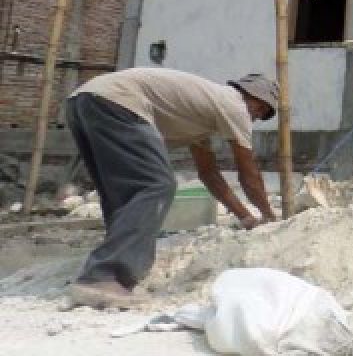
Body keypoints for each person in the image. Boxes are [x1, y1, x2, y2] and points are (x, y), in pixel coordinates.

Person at [65, 68, 279, 308]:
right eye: (259, 108)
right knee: (156, 184)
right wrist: (270, 217)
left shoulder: (203, 117)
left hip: (84, 100)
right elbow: (248, 173)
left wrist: (246, 217)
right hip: (118, 101)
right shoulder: (234, 106)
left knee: (121, 191)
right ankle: (104, 276)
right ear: (247, 94)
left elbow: (209, 175)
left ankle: (102, 272)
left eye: (262, 115)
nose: (256, 117)